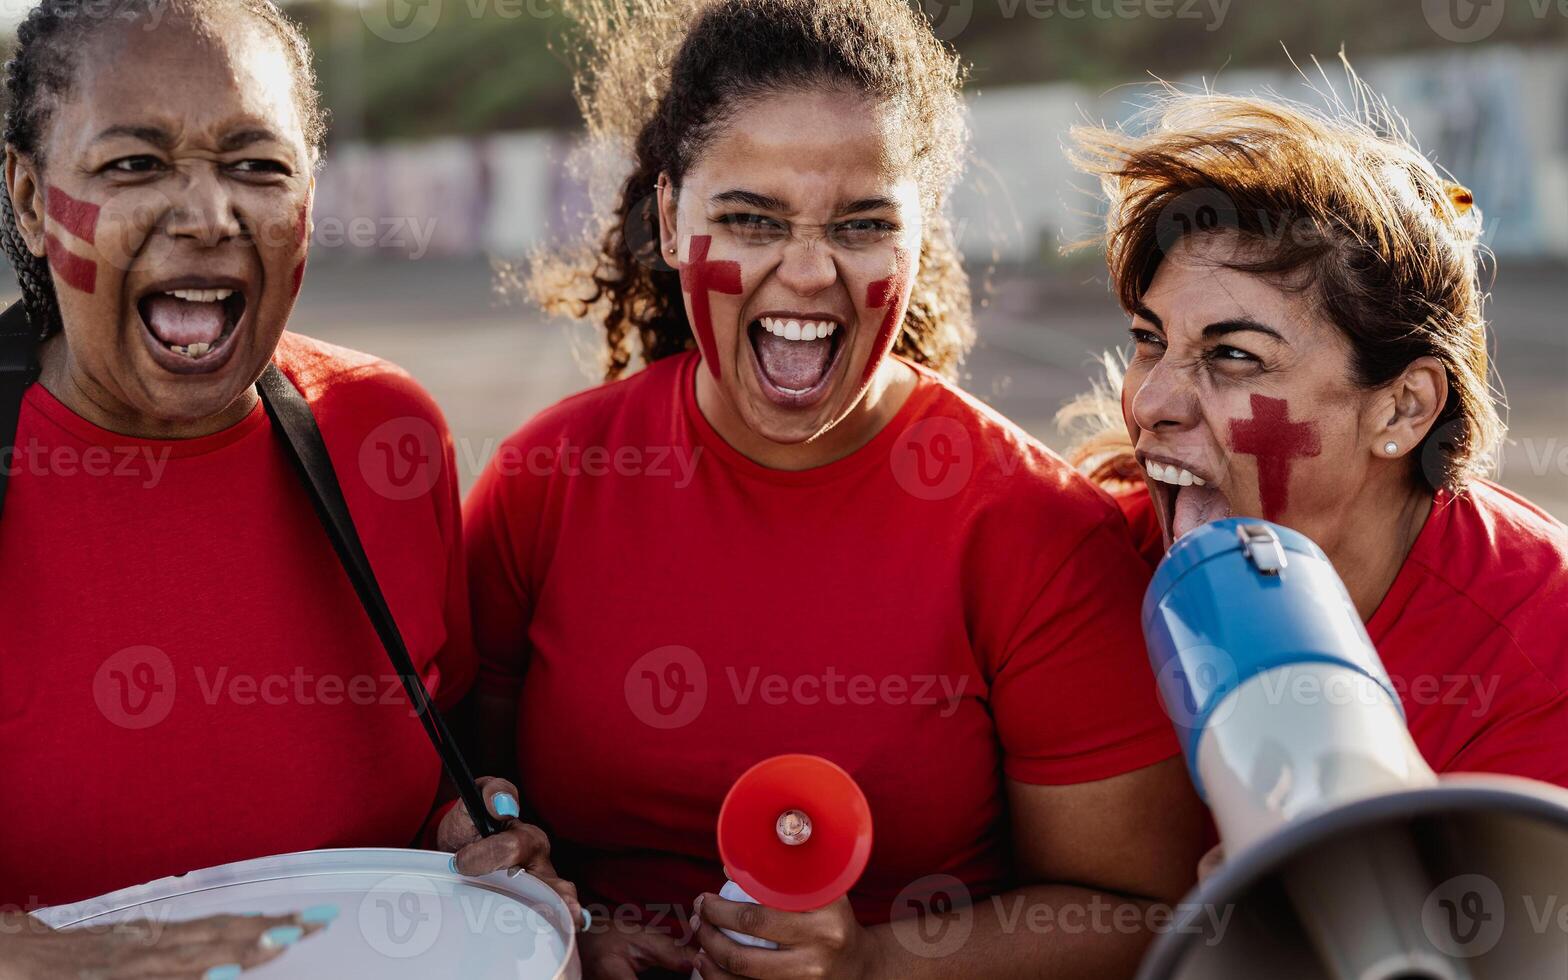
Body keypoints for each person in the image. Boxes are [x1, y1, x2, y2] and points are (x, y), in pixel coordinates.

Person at [464, 1, 1207, 978]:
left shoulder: (1034, 530)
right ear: (669, 221)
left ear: (917, 237)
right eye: (748, 218)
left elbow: (1142, 911)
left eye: (861, 224)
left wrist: (872, 961)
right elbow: (469, 801)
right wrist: (560, 922)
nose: (806, 272)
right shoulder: (546, 482)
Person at [0, 3, 565, 976]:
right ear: (27, 196)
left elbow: (433, 766)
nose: (208, 215)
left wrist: (467, 837)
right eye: (134, 164)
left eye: (258, 166)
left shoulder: (388, 435)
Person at [1060, 77, 1568, 793]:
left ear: (1402, 409)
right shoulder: (1081, 569)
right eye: (1150, 339)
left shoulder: (1544, 637)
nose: (1150, 402)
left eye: (1233, 354)